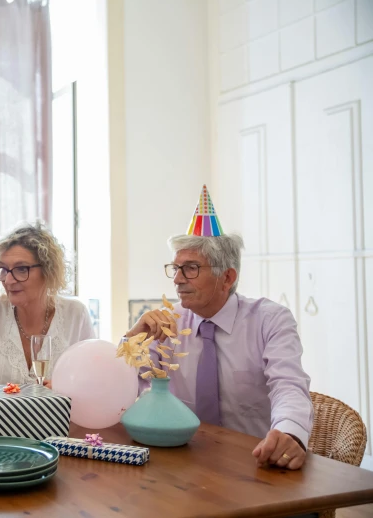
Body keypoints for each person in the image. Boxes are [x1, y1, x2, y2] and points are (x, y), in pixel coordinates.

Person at [127, 185, 313, 470]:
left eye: (190, 268)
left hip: (254, 464)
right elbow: (124, 389)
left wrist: (289, 434)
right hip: (180, 463)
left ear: (227, 277)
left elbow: (289, 387)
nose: (177, 279)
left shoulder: (271, 320)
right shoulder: (167, 323)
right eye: (175, 268)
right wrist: (132, 340)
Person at [0, 222, 94, 386]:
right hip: (1, 413)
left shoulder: (76, 314)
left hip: (59, 413)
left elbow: (92, 380)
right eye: (4, 269)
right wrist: (17, 397)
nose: (8, 280)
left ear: (48, 271)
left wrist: (64, 387)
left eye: (21, 269)